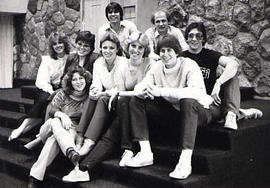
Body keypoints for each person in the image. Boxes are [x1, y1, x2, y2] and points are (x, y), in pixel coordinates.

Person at [61, 31, 154, 182]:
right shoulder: (125, 64)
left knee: (112, 114)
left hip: (141, 112)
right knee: (109, 125)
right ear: (127, 47)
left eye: (140, 47)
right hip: (124, 107)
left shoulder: (148, 63)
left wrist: (113, 94)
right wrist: (102, 91)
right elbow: (120, 90)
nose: (135, 50)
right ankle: (85, 159)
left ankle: (118, 150)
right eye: (132, 46)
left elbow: (134, 90)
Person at [123, 34, 215, 179]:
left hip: (199, 113)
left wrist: (160, 91)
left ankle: (185, 161)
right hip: (174, 113)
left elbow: (196, 92)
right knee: (136, 100)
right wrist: (142, 90)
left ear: (177, 51)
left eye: (169, 50)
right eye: (162, 51)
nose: (165, 54)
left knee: (187, 100)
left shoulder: (189, 65)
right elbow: (144, 83)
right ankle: (145, 152)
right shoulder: (158, 66)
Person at [182, 22, 262, 130]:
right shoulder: (182, 57)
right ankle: (239, 113)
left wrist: (218, 82)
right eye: (191, 35)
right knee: (202, 116)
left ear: (203, 39)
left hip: (212, 102)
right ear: (186, 38)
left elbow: (234, 64)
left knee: (231, 75)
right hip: (194, 103)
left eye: (198, 36)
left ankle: (231, 115)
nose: (194, 39)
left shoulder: (210, 54)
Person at [27, 66, 92, 188]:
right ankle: (70, 151)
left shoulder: (89, 97)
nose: (78, 82)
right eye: (74, 79)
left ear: (86, 79)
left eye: (81, 78)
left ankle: (34, 176)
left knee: (54, 140)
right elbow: (51, 110)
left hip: (70, 131)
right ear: (70, 82)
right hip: (49, 127)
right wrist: (62, 115)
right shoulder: (63, 93)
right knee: (56, 121)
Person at [8, 32, 70, 141]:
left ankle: (28, 129)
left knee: (51, 105)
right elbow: (41, 81)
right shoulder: (47, 60)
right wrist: (52, 92)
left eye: (60, 42)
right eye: (55, 44)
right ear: (52, 46)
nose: (58, 46)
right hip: (47, 87)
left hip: (63, 88)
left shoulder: (70, 58)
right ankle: (21, 127)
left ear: (65, 44)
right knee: (44, 100)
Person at [73, 32, 127, 158]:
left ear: (117, 49)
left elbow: (120, 88)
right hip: (105, 95)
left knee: (102, 99)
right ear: (101, 48)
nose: (107, 51)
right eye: (105, 47)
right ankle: (80, 135)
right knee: (92, 96)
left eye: (111, 48)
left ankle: (89, 141)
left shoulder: (123, 62)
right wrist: (95, 89)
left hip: (120, 98)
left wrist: (102, 93)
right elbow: (96, 83)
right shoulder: (98, 62)